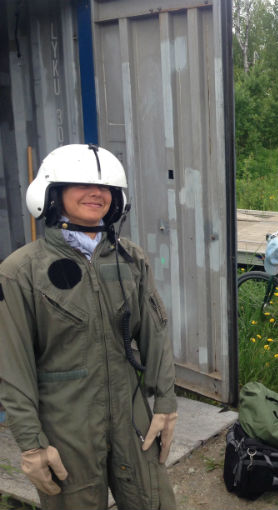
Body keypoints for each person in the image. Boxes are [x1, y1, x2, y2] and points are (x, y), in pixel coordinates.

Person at [0, 144, 178, 509]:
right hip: (67, 429)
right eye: (81, 184)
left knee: (155, 503)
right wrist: (32, 444)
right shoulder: (20, 272)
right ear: (52, 193)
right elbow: (13, 367)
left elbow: (155, 335)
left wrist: (165, 403)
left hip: (131, 418)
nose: (97, 193)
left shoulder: (132, 259)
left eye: (106, 187)